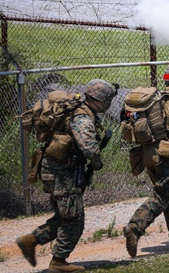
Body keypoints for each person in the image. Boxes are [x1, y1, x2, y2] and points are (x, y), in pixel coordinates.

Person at [16, 79, 116, 273]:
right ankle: (58, 262)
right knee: (75, 219)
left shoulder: (80, 110)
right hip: (61, 173)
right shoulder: (82, 117)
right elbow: (89, 147)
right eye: (107, 101)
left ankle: (30, 240)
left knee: (65, 215)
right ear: (99, 100)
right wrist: (97, 163)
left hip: (55, 170)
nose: (108, 105)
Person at [122, 61, 169, 258]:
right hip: (167, 155)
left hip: (149, 154)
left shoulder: (156, 100)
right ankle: (135, 227)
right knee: (162, 196)